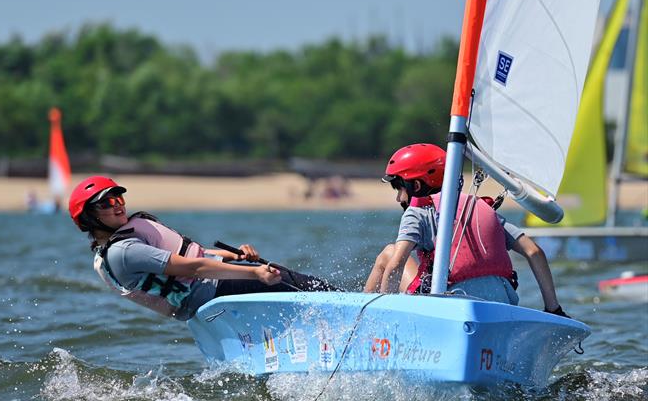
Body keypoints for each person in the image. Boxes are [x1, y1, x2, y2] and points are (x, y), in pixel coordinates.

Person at [70, 176, 338, 321]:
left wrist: (234, 255)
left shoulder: (127, 238)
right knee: (297, 284)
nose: (117, 206)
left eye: (118, 199)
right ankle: (346, 314)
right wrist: (255, 273)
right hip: (207, 292)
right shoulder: (124, 251)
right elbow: (194, 268)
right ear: (89, 217)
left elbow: (196, 256)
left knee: (292, 279)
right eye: (106, 204)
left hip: (209, 286)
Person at [363, 143, 569, 317]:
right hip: (501, 307)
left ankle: (362, 319)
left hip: (447, 309)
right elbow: (534, 252)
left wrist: (386, 316)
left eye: (399, 189)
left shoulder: (418, 212)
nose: (398, 198)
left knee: (389, 253)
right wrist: (554, 309)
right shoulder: (481, 207)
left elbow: (396, 264)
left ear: (416, 186)